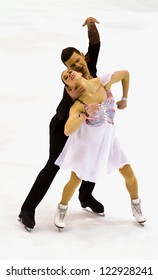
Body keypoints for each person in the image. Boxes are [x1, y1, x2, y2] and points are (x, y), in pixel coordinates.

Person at [18, 17, 105, 230]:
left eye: (78, 60)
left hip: (86, 124)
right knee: (53, 166)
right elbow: (60, 113)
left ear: (83, 58)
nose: (76, 65)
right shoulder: (70, 83)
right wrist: (71, 98)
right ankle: (26, 210)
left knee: (91, 158)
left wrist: (91, 26)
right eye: (71, 65)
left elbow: (95, 45)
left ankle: (85, 196)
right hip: (62, 128)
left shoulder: (90, 65)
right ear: (67, 69)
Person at [54, 69, 146, 229]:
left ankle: (136, 205)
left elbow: (125, 73)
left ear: (78, 73)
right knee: (76, 179)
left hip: (109, 141)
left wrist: (124, 98)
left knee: (129, 173)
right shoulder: (78, 104)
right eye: (66, 78)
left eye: (69, 72)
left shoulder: (103, 81)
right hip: (88, 144)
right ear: (69, 86)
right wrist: (84, 114)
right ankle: (62, 208)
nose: (69, 74)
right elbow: (67, 130)